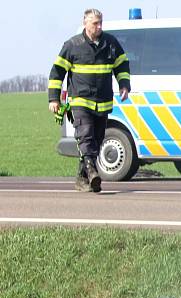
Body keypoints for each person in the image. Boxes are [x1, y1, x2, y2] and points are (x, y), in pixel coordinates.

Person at [48, 8, 130, 192]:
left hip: (103, 102)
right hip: (80, 101)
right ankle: (92, 172)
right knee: (85, 136)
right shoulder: (72, 45)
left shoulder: (111, 43)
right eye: (95, 23)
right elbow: (57, 73)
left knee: (97, 140)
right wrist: (54, 99)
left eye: (101, 23)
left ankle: (82, 179)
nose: (99, 26)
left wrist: (124, 84)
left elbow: (122, 64)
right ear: (85, 23)